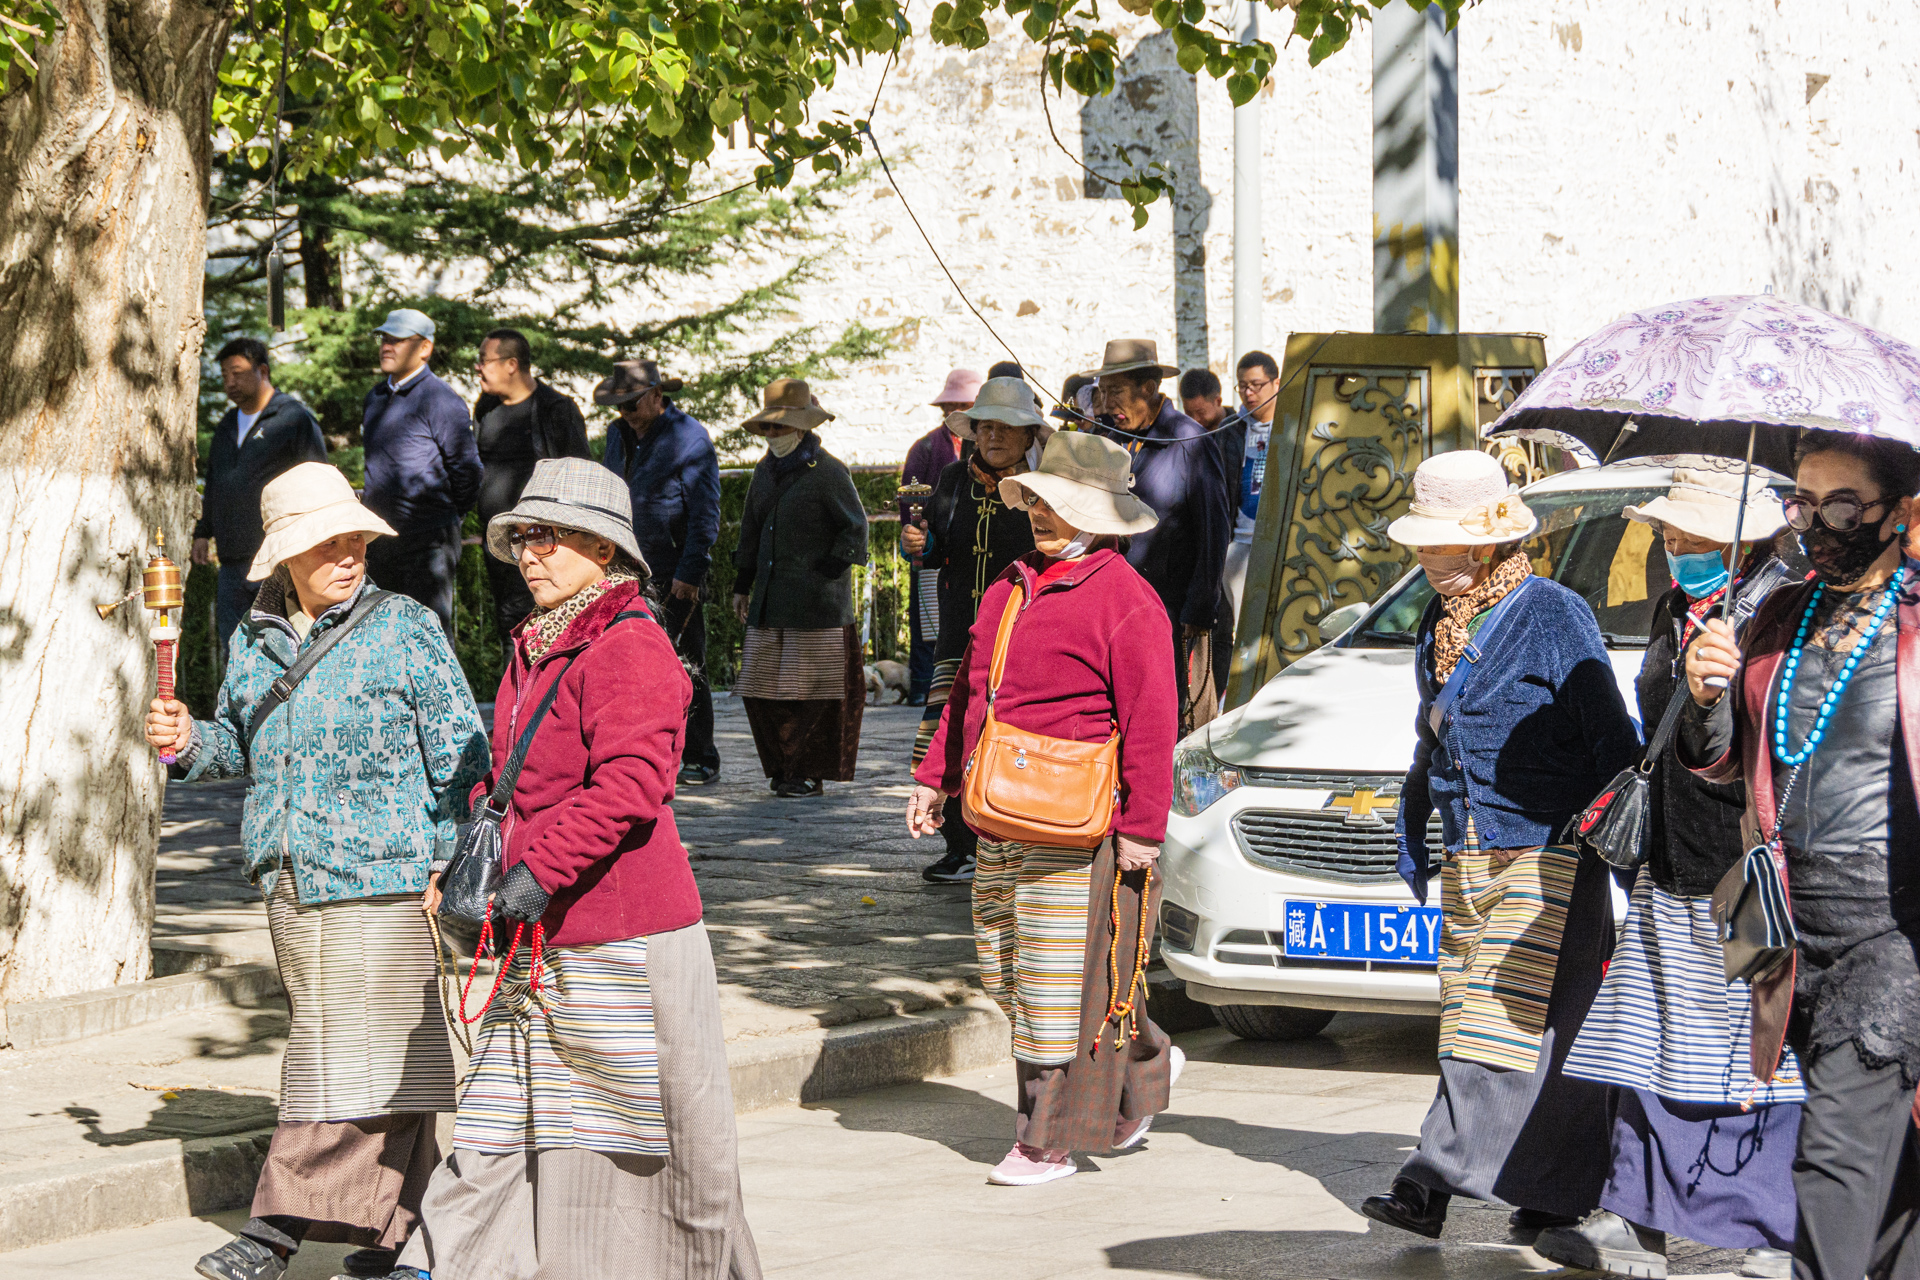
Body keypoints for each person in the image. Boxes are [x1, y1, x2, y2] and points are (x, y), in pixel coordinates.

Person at [395, 458, 760, 1280]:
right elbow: (509, 775)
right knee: (497, 1115)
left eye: (552, 536)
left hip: (624, 937)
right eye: (524, 535)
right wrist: (472, 865)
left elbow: (633, 786)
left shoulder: (631, 645)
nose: (532, 553)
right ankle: (447, 1261)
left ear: (606, 550)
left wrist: (538, 874)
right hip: (541, 933)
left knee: (635, 1139)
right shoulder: (539, 641)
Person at [144, 462, 489, 1280]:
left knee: (341, 1060)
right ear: (285, 556)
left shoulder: (403, 626)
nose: (348, 553)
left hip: (388, 877)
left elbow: (466, 756)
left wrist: (454, 860)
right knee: (387, 1068)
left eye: (355, 538)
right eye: (327, 541)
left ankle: (273, 1233)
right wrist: (190, 739)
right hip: (290, 881)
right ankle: (404, 1242)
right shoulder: (252, 637)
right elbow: (235, 743)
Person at [1361, 449, 1640, 1240]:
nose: (1422, 557)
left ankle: (1429, 1180)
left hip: (1548, 848)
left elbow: (1611, 741)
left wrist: (1605, 845)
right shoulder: (1441, 619)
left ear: (1481, 544)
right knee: (1543, 1026)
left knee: (1484, 1021)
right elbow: (1434, 737)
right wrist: (1418, 822)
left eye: (1435, 543)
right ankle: (1553, 1193)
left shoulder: (1551, 613)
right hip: (1472, 848)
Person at [1540, 469, 1801, 1280]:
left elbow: (1779, 736)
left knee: (1753, 1050)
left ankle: (1765, 1226)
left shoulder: (1782, 613)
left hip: (1750, 865)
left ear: (1741, 539)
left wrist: (1718, 695)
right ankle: (1635, 1214)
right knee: (1648, 1039)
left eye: (1688, 536)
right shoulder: (1677, 611)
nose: (1672, 548)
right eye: (1667, 534)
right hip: (1669, 862)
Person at [907, 430, 1180, 1187]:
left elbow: (1156, 723)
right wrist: (933, 777)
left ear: (1101, 516)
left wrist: (1141, 832)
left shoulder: (1128, 601)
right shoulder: (1008, 585)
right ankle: (1147, 1062)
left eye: (1064, 505)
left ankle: (1043, 1141)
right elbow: (967, 692)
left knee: (1055, 984)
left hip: (1079, 821)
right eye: (1039, 501)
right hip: (997, 812)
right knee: (1004, 971)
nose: (1044, 516)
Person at [1681, 430, 1920, 1280]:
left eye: (1844, 503)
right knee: (1887, 1177)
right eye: (1805, 503)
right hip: (1788, 918)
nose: (1818, 522)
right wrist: (1706, 693)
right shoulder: (1781, 610)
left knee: (1835, 1156)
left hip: (1894, 927)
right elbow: (1724, 763)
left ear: (1905, 511)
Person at [902, 377, 1046, 884]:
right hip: (959, 631)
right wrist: (919, 542)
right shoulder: (951, 479)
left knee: (1010, 736)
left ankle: (1011, 844)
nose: (993, 437)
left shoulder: (1043, 486)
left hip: (1025, 632)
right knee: (945, 731)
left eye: (1006, 428)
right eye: (985, 426)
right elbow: (938, 550)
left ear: (1029, 435)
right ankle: (960, 847)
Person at [731, 378, 870, 798]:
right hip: (771, 603)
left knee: (814, 694)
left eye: (779, 428)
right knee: (762, 690)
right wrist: (742, 584)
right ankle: (782, 768)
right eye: (767, 428)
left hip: (817, 608)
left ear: (801, 427)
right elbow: (751, 531)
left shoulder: (828, 470)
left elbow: (855, 527)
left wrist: (829, 567)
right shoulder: (763, 472)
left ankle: (809, 772)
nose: (771, 435)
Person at [1086, 338, 1233, 730]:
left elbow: (1214, 529)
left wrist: (1200, 609)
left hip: (1171, 608)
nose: (1107, 402)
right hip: (1114, 605)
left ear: (1149, 389)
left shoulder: (1189, 441)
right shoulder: (1113, 439)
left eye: (1116, 391)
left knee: (1167, 715)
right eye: (1103, 391)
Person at [599, 359, 724, 786]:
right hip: (624, 566)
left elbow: (704, 515)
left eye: (633, 403)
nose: (627, 413)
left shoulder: (690, 438)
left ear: (656, 396)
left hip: (672, 568)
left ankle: (700, 752)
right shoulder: (618, 436)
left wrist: (690, 572)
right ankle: (644, 753)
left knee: (684, 660)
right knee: (629, 663)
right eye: (620, 406)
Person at [193, 336, 329, 657]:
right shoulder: (226, 426)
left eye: (237, 372)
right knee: (233, 650)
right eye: (225, 374)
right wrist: (202, 532)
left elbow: (317, 479)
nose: (230, 382)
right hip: (231, 563)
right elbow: (215, 484)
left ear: (263, 370)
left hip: (277, 561)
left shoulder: (292, 418)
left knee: (281, 649)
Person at [360, 308, 482, 638]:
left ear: (424, 348)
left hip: (428, 543)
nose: (386, 346)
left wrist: (444, 516)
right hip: (381, 542)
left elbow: (468, 471)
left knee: (427, 637)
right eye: (384, 338)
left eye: (397, 340)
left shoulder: (440, 399)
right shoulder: (375, 398)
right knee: (381, 637)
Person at [471, 327, 591, 660]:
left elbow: (580, 476)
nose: (477, 368)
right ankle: (518, 703)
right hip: (500, 544)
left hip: (545, 546)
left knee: (550, 623)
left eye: (483, 360)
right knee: (509, 623)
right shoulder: (485, 408)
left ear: (511, 364)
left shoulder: (556, 410)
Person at [903, 367, 983, 703]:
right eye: (952, 406)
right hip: (933, 542)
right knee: (929, 619)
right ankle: (923, 685)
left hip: (969, 548)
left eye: (964, 404)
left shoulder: (982, 444)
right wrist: (917, 534)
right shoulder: (924, 448)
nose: (956, 412)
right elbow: (910, 500)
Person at [1221, 350, 1280, 629]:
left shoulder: (1293, 425)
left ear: (1276, 384)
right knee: (1242, 628)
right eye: (1242, 385)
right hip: (1240, 542)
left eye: (1256, 385)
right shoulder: (1229, 429)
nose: (1248, 392)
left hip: (1280, 542)